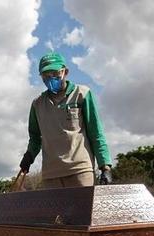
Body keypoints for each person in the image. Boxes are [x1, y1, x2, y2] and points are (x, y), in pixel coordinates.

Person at [19, 52, 113, 188]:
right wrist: (29, 156)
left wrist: (105, 167)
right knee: (56, 210)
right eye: (46, 75)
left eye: (55, 73)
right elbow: (35, 138)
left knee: (84, 209)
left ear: (65, 71)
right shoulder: (37, 104)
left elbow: (96, 132)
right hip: (51, 175)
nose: (50, 78)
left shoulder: (82, 94)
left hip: (80, 170)